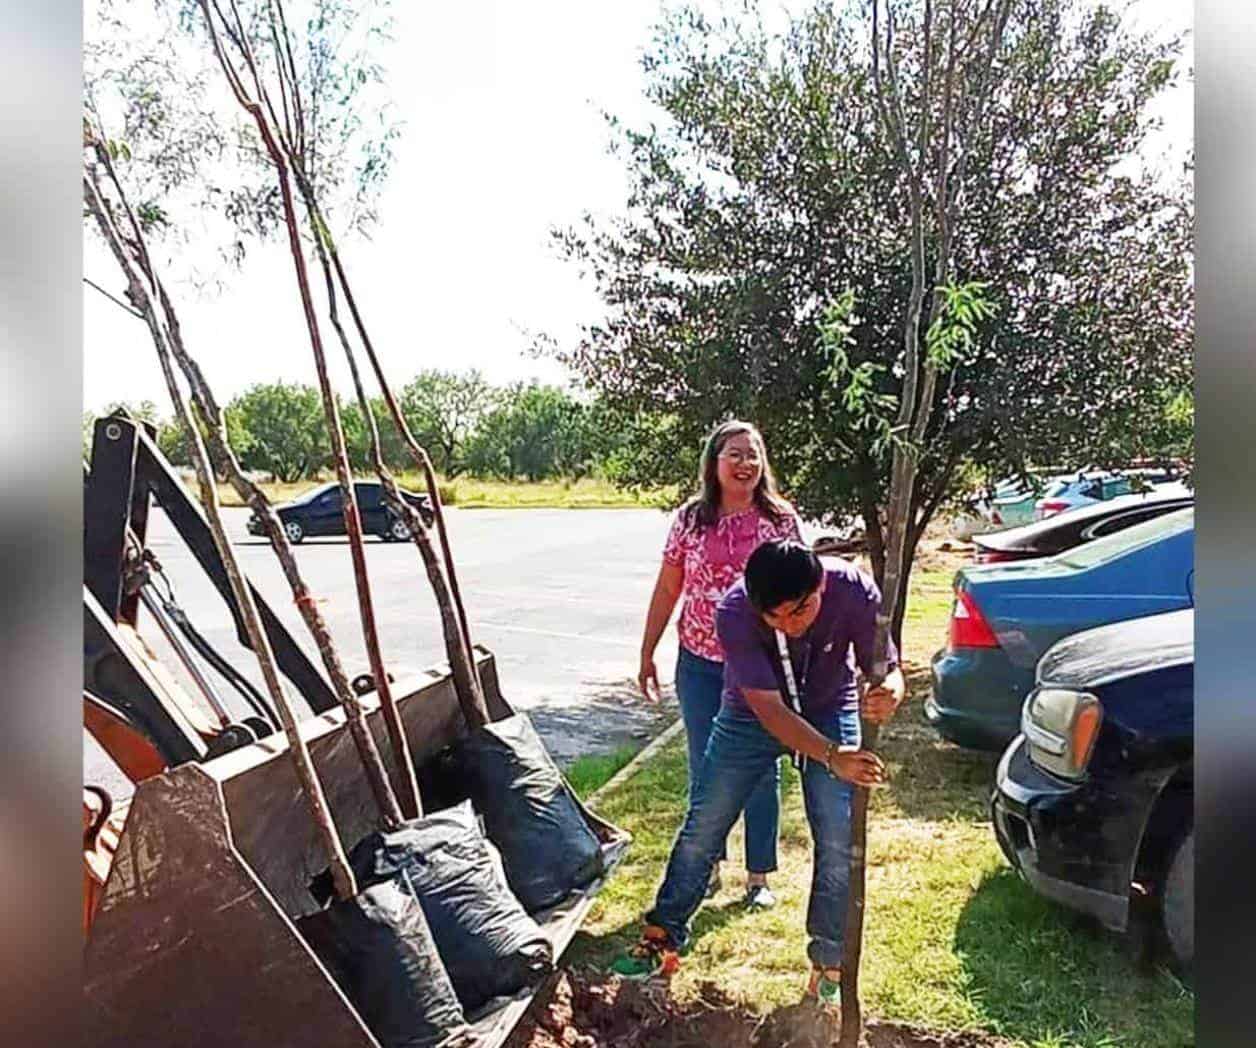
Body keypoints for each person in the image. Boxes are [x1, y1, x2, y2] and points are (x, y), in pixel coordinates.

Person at [616, 539, 906, 1007]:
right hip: (752, 716)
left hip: (830, 707)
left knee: (837, 834)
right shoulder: (734, 610)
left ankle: (829, 963)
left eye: (800, 611)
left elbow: (888, 668)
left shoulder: (853, 589)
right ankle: (663, 936)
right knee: (705, 822)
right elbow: (770, 710)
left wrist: (891, 690)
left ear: (821, 585)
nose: (789, 625)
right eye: (775, 617)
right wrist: (833, 756)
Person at [637, 420, 803, 907]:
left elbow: (804, 593)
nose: (746, 464)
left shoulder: (780, 521)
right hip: (700, 664)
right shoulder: (691, 519)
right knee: (705, 765)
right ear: (714, 462)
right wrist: (647, 650)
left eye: (753, 455)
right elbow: (670, 587)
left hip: (759, 667)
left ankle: (759, 878)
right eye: (735, 454)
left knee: (760, 768)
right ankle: (706, 863)